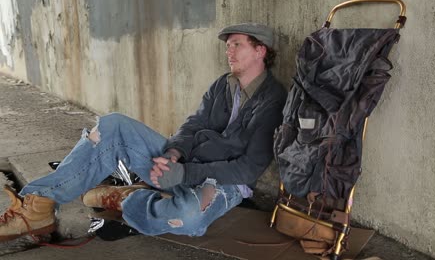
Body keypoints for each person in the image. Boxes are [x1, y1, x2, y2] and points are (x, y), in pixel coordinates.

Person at [0, 23, 286, 241]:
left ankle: (127, 198)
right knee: (112, 125)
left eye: (236, 44)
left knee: (188, 219)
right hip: (182, 164)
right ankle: (36, 207)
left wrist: (186, 175)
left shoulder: (273, 99)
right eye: (228, 46)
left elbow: (248, 169)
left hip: (222, 181)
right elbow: (193, 124)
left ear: (260, 50)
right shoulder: (222, 85)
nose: (229, 51)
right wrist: (174, 152)